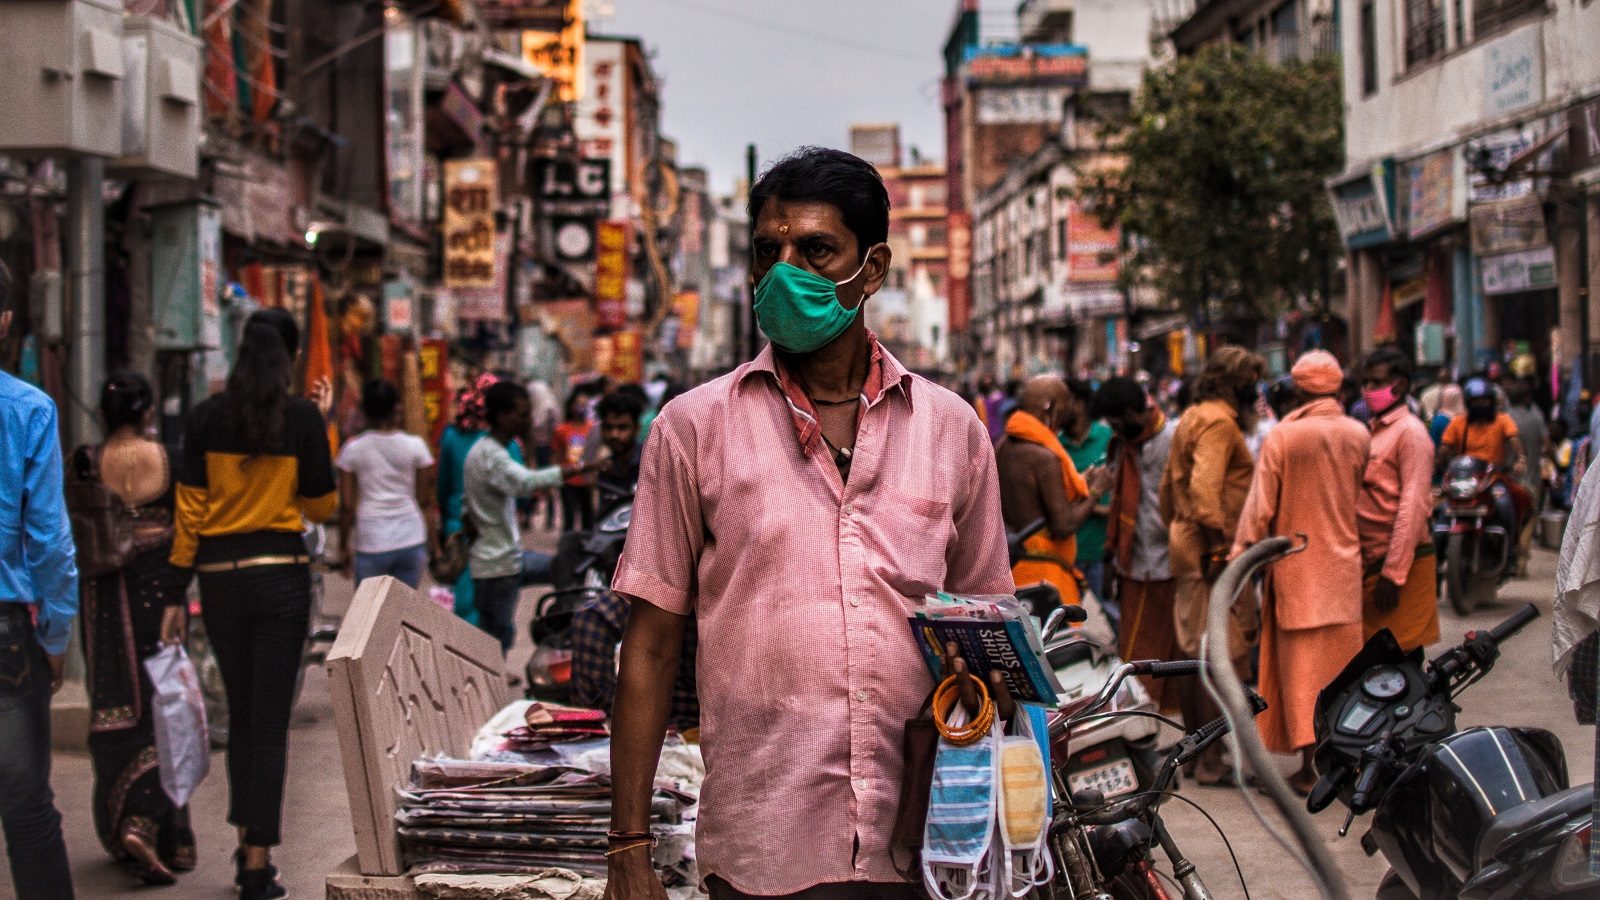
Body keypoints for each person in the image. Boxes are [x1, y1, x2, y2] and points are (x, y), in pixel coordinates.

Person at [605, 147, 1013, 899]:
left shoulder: (952, 430)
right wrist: (628, 847)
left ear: (874, 267)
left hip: (922, 837)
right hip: (763, 838)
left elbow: (987, 619)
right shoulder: (691, 429)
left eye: (817, 250)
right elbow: (652, 645)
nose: (786, 271)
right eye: (770, 251)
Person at [172, 307, 336, 900]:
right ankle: (255, 863)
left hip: (220, 582)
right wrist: (318, 425)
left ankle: (249, 843)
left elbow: (188, 513)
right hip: (280, 582)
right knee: (269, 725)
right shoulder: (299, 419)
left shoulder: (206, 416)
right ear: (290, 359)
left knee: (242, 717)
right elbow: (321, 508)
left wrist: (173, 589)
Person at [72, 372, 195, 885]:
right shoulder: (167, 458)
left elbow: (68, 526)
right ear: (147, 413)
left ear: (103, 411)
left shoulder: (83, 460)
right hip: (156, 595)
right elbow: (188, 526)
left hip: (103, 600)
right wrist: (179, 595)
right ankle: (156, 829)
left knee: (115, 707)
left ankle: (127, 825)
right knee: (167, 705)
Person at [1231, 350, 1369, 795]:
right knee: (1342, 674)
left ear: (1297, 389)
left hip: (1296, 572)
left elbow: (1259, 510)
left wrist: (1238, 562)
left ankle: (1311, 768)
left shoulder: (1284, 437)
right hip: (1344, 572)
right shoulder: (1358, 433)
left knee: (1303, 677)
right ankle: (1339, 763)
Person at [0, 260, 78, 900]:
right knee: (26, 807)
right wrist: (55, 639)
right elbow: (49, 540)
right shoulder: (28, 410)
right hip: (7, 639)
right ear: (4, 322)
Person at [1159, 345, 1263, 785]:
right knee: (1217, 656)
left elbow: (1168, 491)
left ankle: (1204, 753)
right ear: (1236, 385)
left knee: (1198, 653)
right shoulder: (1219, 422)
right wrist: (1222, 546)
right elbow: (1204, 492)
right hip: (1210, 553)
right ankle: (1209, 758)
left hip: (1191, 546)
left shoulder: (1194, 417)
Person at [465, 381, 596, 653]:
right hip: (497, 565)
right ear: (502, 416)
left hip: (505, 556)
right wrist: (580, 468)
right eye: (522, 413)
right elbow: (527, 482)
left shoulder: (493, 449)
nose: (529, 419)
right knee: (495, 637)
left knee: (566, 565)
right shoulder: (490, 455)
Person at [1093, 377, 1179, 708]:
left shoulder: (1172, 438)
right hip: (1134, 563)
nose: (1114, 428)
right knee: (1135, 654)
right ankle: (1141, 724)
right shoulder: (1123, 445)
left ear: (1133, 411)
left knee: (1172, 655)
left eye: (1117, 421)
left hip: (1171, 562)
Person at [996, 376, 1108, 609]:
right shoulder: (1045, 458)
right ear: (1049, 407)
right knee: (1062, 644)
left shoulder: (1003, 446)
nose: (1064, 420)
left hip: (1014, 566)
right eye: (1064, 409)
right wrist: (1098, 489)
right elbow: (1063, 525)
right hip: (1046, 573)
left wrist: (1081, 482)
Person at [1356, 347, 1440, 653]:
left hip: (1397, 567)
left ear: (1400, 385)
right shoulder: (1372, 431)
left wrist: (1393, 573)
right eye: (1364, 383)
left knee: (1398, 661)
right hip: (1371, 564)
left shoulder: (1411, 433)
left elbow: (1413, 505)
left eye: (1376, 382)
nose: (1368, 391)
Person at [336, 379, 437, 589]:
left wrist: (343, 545)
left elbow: (346, 506)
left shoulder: (352, 449)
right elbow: (425, 501)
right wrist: (435, 546)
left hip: (371, 541)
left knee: (369, 616)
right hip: (411, 539)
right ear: (396, 408)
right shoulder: (416, 446)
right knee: (402, 616)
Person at [1438, 376, 1527, 572]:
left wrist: (1520, 458)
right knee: (1441, 517)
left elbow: (1514, 441)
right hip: (1464, 480)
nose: (1481, 405)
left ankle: (1510, 554)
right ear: (1468, 403)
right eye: (1476, 402)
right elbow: (1445, 447)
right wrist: (1437, 460)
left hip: (1492, 480)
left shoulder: (1502, 420)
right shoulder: (1458, 423)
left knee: (1505, 507)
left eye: (1484, 401)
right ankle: (1437, 568)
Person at [1061, 378, 1114, 609]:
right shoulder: (1055, 444)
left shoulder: (1107, 437)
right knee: (1065, 619)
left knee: (1114, 614)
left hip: (1102, 549)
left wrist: (1091, 505)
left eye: (1066, 401)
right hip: (1069, 550)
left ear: (1081, 405)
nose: (1061, 407)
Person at [1505, 377, 1548, 577]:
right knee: (1529, 518)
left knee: (1512, 517)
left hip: (1507, 481)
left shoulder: (1504, 418)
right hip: (1531, 480)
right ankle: (1521, 559)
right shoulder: (1536, 417)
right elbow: (1546, 443)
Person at [554, 389, 596, 533]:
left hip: (586, 479)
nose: (582, 408)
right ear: (571, 406)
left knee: (588, 517)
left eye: (585, 404)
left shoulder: (592, 428)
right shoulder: (561, 430)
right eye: (579, 404)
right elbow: (557, 454)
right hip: (568, 479)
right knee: (569, 517)